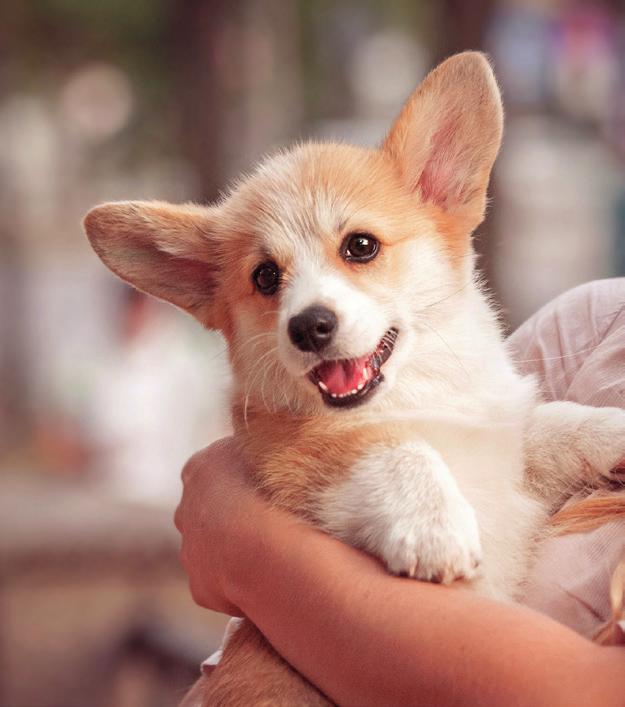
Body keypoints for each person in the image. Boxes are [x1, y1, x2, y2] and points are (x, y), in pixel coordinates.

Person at [175, 279, 625, 706]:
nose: (308, 312)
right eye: (268, 277)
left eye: (361, 248)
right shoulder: (593, 326)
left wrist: (250, 547)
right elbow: (499, 447)